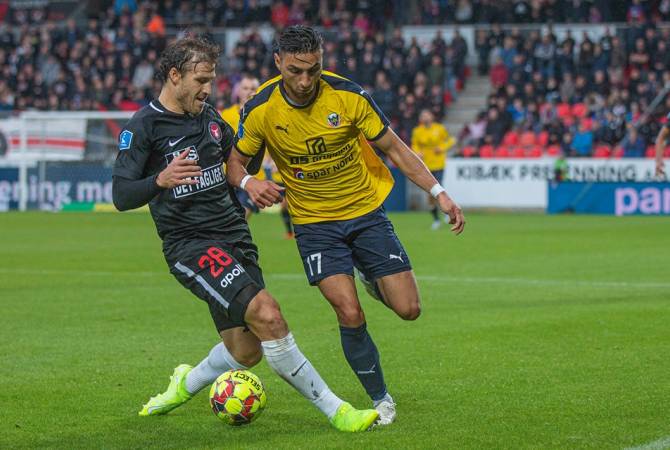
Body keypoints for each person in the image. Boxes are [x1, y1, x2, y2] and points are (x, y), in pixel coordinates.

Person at [111, 35, 378, 432]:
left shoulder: (209, 118)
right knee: (269, 315)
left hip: (236, 237)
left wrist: (250, 182)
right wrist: (160, 179)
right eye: (201, 80)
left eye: (211, 80)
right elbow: (121, 194)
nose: (208, 89)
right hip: (192, 245)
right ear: (174, 75)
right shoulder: (144, 126)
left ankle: (185, 382)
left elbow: (238, 158)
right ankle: (338, 410)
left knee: (247, 350)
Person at [227, 26, 465, 426]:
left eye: (313, 70)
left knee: (409, 309)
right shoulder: (261, 108)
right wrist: (251, 183)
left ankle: (375, 282)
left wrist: (438, 192)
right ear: (278, 64)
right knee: (348, 311)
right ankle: (380, 398)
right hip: (314, 224)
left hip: (365, 213)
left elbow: (395, 148)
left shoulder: (350, 96)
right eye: (295, 71)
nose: (305, 81)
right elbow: (234, 163)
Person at [220, 74, 261, 220]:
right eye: (245, 88)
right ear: (238, 91)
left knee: (240, 218)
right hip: (229, 175)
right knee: (227, 222)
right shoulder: (226, 115)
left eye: (253, 88)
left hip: (253, 177)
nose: (249, 91)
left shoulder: (263, 115)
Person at [411, 109, 456, 229]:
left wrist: (442, 148)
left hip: (439, 164)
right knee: (431, 194)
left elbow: (451, 140)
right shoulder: (417, 131)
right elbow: (414, 144)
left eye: (427, 115)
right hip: (425, 166)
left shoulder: (439, 128)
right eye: (422, 115)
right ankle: (436, 219)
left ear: (432, 116)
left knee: (439, 189)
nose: (425, 117)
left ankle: (446, 213)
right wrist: (417, 152)